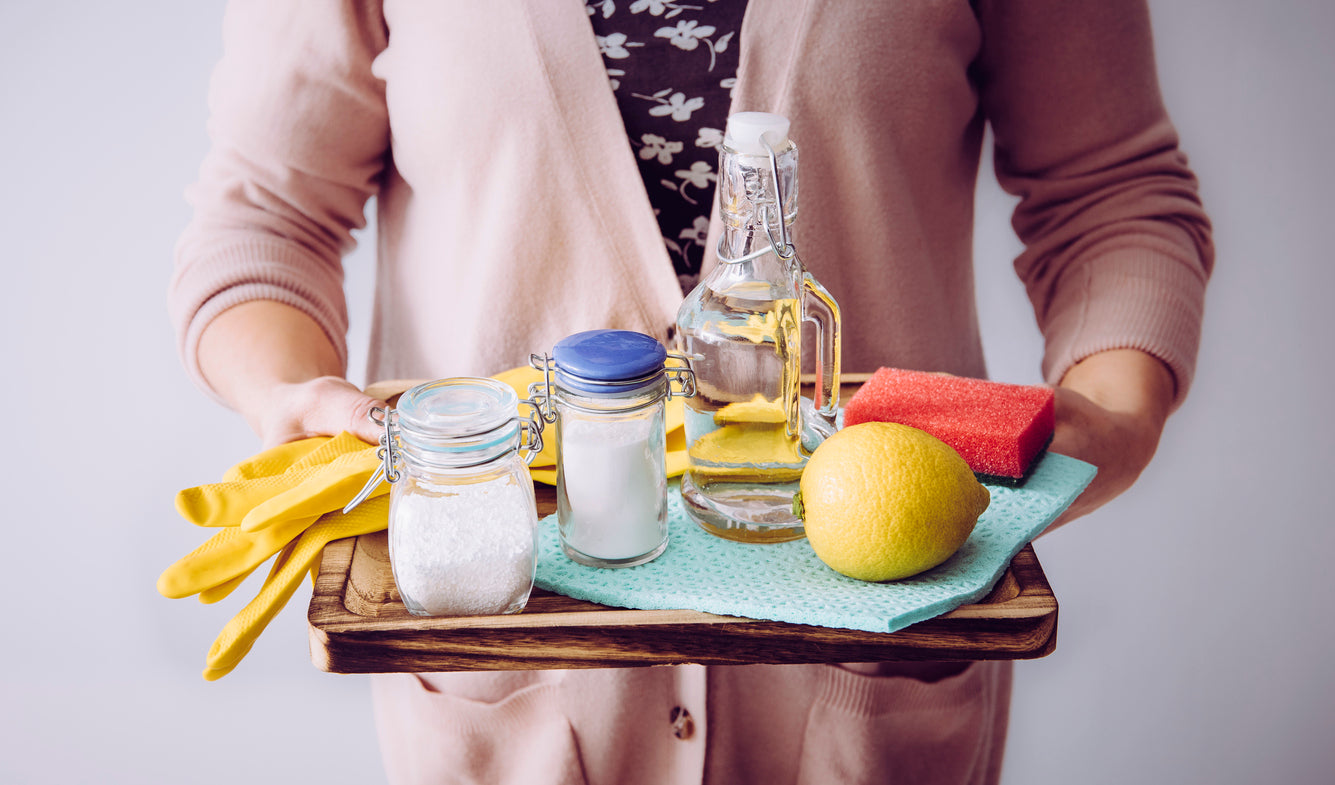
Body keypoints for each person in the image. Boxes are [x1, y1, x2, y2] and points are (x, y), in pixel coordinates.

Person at [169, 2, 1213, 783]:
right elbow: (269, 210)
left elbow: (1110, 190)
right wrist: (292, 392)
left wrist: (1113, 411)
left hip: (873, 649)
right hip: (508, 648)